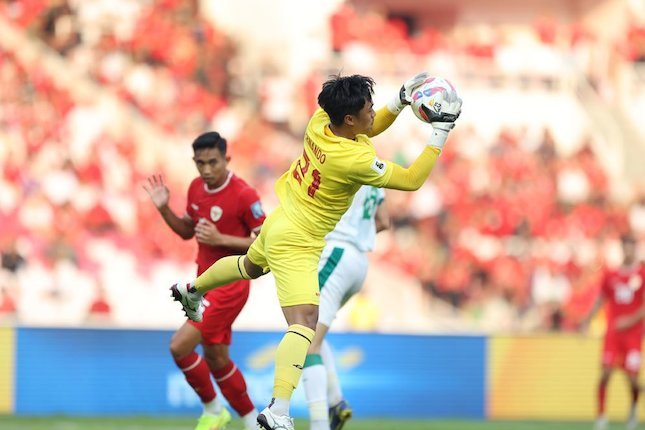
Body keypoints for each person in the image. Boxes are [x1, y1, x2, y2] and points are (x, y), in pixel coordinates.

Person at [170, 72, 462, 430]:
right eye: (369, 107)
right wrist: (441, 131)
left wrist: (400, 99)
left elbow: (367, 128)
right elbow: (413, 179)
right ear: (350, 119)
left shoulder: (321, 119)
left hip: (282, 219)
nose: (374, 112)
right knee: (305, 323)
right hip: (299, 240)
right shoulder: (351, 160)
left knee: (249, 266)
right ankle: (279, 408)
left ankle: (193, 290)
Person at [144, 132, 265, 430]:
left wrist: (221, 238)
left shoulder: (244, 194)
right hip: (203, 283)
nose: (207, 170)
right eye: (201, 163)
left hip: (232, 284)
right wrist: (163, 208)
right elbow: (187, 231)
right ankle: (253, 423)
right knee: (216, 356)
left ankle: (213, 411)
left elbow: (264, 244)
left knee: (179, 346)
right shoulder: (196, 188)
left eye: (213, 162)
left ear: (227, 159)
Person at [301, 185, 389, 430]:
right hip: (359, 262)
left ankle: (319, 424)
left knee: (305, 338)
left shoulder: (343, 156)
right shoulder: (375, 169)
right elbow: (384, 220)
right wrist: (359, 235)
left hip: (337, 252)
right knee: (312, 331)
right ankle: (336, 401)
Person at [581, 233, 645, 430]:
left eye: (631, 246)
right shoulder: (611, 275)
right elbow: (601, 299)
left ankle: (633, 409)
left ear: (634, 248)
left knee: (633, 381)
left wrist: (630, 320)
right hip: (613, 335)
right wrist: (587, 319)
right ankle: (601, 418)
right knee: (605, 374)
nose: (628, 250)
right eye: (625, 246)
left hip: (633, 335)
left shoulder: (642, 274)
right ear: (621, 248)